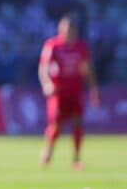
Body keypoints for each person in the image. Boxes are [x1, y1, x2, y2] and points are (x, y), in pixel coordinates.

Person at [38, 15, 100, 170]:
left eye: (72, 29)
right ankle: (49, 151)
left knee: (78, 123)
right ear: (61, 30)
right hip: (59, 93)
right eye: (66, 29)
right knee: (56, 125)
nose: (69, 33)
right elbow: (44, 68)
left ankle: (77, 158)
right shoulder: (53, 46)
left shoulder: (81, 47)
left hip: (76, 91)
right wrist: (47, 84)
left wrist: (93, 89)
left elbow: (86, 69)